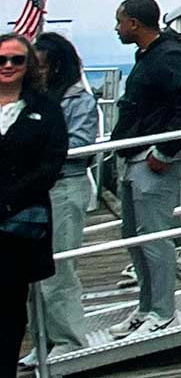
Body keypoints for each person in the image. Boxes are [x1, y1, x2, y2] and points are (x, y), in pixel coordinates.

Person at [108, 0, 181, 340]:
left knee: (154, 239)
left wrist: (164, 151)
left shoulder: (170, 55)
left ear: (134, 23)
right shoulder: (150, 56)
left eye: (120, 21)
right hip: (134, 157)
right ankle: (146, 307)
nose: (117, 28)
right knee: (134, 238)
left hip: (154, 162)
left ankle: (163, 313)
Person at [21, 34, 97, 363]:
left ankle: (69, 339)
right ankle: (43, 340)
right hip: (35, 190)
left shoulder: (78, 100)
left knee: (59, 269)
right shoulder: (32, 100)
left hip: (65, 187)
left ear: (55, 65)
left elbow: (79, 146)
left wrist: (35, 152)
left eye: (39, 64)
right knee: (30, 270)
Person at [0, 34, 67, 378]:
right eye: (2, 60)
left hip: (19, 226)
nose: (8, 66)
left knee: (10, 309)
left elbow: (51, 163)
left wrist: (8, 201)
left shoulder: (45, 108)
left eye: (17, 60)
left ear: (29, 66)